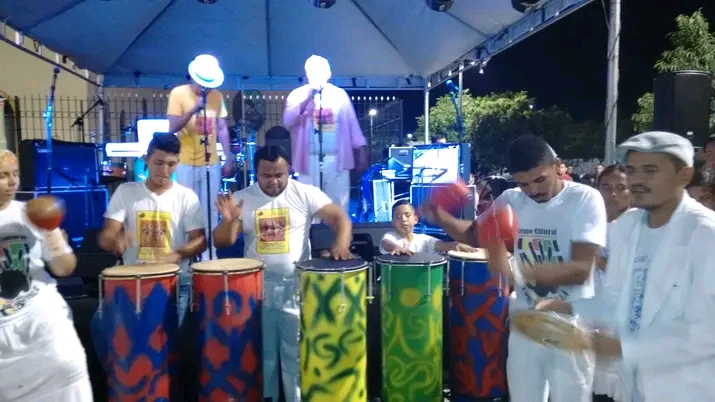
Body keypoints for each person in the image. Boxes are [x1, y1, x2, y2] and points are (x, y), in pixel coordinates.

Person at [422, 135, 607, 402]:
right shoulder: (511, 199)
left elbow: (581, 269)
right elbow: (475, 234)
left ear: (557, 166)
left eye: (539, 180)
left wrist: (516, 271)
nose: (533, 190)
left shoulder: (585, 198)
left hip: (571, 321)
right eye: (523, 183)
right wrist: (439, 215)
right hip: (526, 320)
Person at [573, 131, 715, 401]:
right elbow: (614, 297)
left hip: (690, 388)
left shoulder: (706, 234)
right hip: (636, 385)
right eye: (631, 170)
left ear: (684, 175)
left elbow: (707, 331)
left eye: (650, 170)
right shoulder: (626, 226)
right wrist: (569, 312)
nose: (636, 180)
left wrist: (625, 348)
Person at [213, 145, 353, 402]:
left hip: (295, 286)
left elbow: (339, 218)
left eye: (279, 174)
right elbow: (223, 241)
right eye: (267, 175)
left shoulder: (305, 193)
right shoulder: (243, 197)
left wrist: (341, 245)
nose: (274, 181)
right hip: (256, 288)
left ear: (289, 169)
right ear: (256, 172)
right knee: (263, 354)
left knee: (295, 354)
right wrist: (228, 220)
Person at [90, 134, 206, 372]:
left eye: (171, 164)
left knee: (166, 345)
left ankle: (162, 386)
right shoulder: (126, 192)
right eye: (159, 163)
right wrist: (115, 240)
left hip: (174, 281)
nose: (165, 170)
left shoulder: (186, 197)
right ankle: (122, 380)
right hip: (133, 279)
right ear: (146, 160)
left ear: (178, 163)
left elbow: (200, 240)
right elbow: (106, 236)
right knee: (99, 326)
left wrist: (176, 255)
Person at [0, 150, 92, 401]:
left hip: (41, 320)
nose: (12, 182)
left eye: (15, 174)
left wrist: (53, 235)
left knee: (69, 375)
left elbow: (64, 268)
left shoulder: (31, 213)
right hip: (4, 336)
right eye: (3, 175)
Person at [167, 54, 233, 261]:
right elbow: (173, 127)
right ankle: (187, 255)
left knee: (211, 210)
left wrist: (228, 156)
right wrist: (194, 109)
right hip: (185, 162)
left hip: (211, 163)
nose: (205, 87)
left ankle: (209, 256)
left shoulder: (216, 96)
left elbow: (222, 127)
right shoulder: (178, 94)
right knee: (187, 210)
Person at [283, 55, 368, 213]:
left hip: (336, 160)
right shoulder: (297, 95)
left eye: (320, 71)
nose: (316, 75)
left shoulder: (340, 95)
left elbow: (352, 125)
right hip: (309, 161)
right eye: (312, 72)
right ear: (307, 74)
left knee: (338, 206)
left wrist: (361, 151)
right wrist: (306, 101)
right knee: (308, 207)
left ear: (328, 74)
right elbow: (288, 121)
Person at [593, 163, 632, 402]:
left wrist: (596, 259)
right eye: (606, 187)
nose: (613, 194)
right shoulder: (588, 222)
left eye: (621, 187)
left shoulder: (639, 227)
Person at [379, 199, 478, 255]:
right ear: (392, 222)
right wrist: (396, 247)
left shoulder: (422, 239)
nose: (403, 219)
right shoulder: (390, 236)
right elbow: (386, 243)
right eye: (398, 217)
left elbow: (441, 245)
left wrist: (455, 245)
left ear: (416, 219)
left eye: (407, 215)